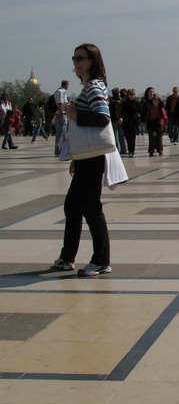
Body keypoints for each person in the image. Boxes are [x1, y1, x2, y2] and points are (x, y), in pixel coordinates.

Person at [52, 43, 112, 277]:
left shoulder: (94, 87)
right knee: (73, 206)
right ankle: (67, 257)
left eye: (81, 58)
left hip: (93, 157)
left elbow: (102, 117)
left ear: (92, 61)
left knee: (91, 208)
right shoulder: (90, 86)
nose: (76, 62)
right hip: (87, 157)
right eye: (74, 58)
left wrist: (73, 113)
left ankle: (101, 260)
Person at [120, 88, 141, 156]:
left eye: (134, 94)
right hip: (127, 121)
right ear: (128, 95)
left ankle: (132, 150)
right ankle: (129, 150)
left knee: (133, 137)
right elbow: (122, 112)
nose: (132, 95)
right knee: (128, 137)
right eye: (131, 94)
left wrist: (142, 120)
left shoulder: (137, 103)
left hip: (134, 121)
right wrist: (121, 118)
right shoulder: (125, 103)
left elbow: (141, 111)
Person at [53, 79, 70, 157]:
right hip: (61, 115)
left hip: (63, 114)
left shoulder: (63, 92)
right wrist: (62, 116)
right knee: (60, 134)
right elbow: (59, 104)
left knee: (63, 133)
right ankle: (58, 151)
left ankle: (61, 150)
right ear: (66, 85)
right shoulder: (60, 92)